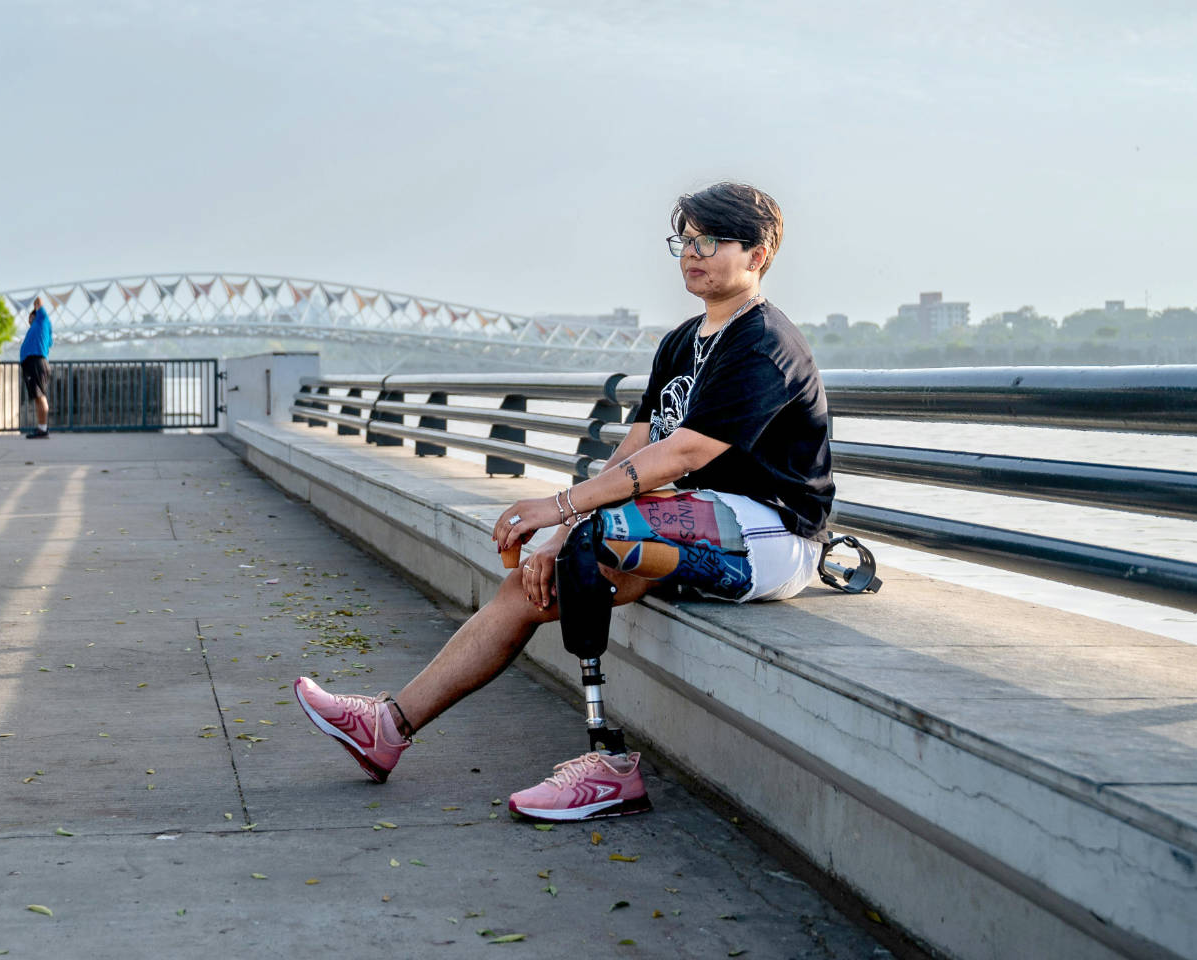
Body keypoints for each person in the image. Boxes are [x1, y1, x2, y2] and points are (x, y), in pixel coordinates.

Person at [294, 182, 834, 821]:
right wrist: (561, 533)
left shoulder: (765, 342)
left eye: (711, 240)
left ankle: (610, 768)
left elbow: (681, 456)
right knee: (538, 580)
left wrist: (557, 507)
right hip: (691, 527)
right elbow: (637, 447)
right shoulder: (683, 340)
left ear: (760, 251)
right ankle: (387, 727)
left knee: (590, 545)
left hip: (771, 531)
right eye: (684, 240)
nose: (692, 253)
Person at [19, 297, 53, 438]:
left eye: (30, 317)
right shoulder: (40, 327)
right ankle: (41, 428)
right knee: (38, 397)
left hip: (36, 362)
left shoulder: (42, 319)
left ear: (35, 314)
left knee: (41, 396)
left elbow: (39, 300)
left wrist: (37, 308)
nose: (28, 320)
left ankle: (43, 429)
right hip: (33, 363)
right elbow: (49, 343)